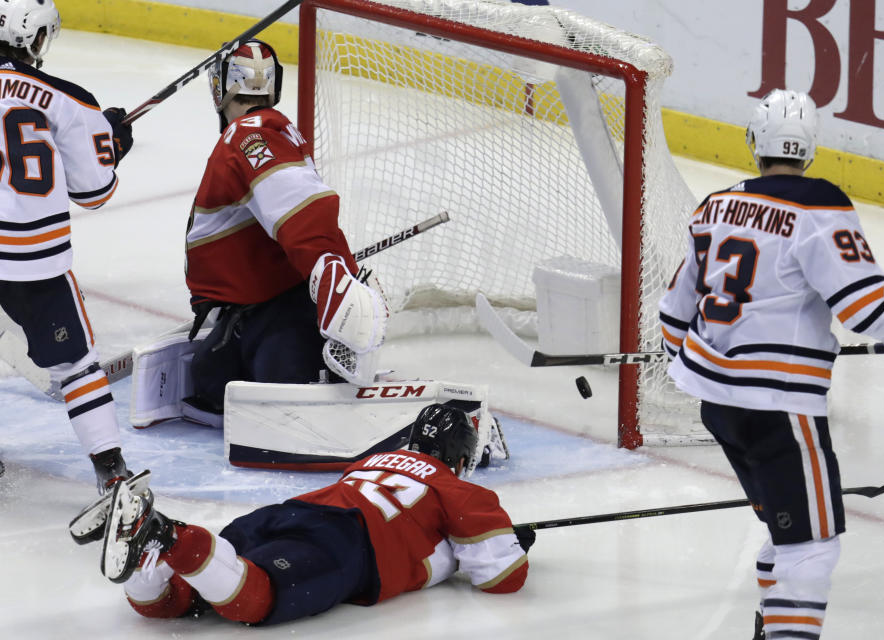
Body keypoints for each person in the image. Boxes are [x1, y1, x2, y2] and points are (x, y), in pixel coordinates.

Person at [658, 89, 884, 639]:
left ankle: (772, 623)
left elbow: (674, 313)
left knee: (785, 527)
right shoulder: (819, 205)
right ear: (809, 148)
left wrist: (698, 363)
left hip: (718, 405)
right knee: (813, 547)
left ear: (754, 143)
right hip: (779, 408)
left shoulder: (714, 205)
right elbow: (863, 306)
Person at [76, 403, 530, 625]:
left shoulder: (373, 462)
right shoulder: (458, 488)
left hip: (289, 513)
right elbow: (501, 578)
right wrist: (512, 542)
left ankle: (147, 555)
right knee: (255, 600)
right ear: (460, 457)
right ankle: (168, 536)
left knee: (180, 601)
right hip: (348, 541)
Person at [182, 38, 386, 420]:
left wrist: (330, 271)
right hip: (259, 307)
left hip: (281, 311)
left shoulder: (249, 135)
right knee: (210, 379)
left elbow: (299, 210)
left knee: (255, 384)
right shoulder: (269, 129)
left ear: (223, 85)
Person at [0, 0, 138, 492]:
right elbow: (94, 192)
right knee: (75, 366)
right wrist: (114, 143)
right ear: (33, 38)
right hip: (32, 259)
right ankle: (112, 473)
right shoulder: (67, 99)